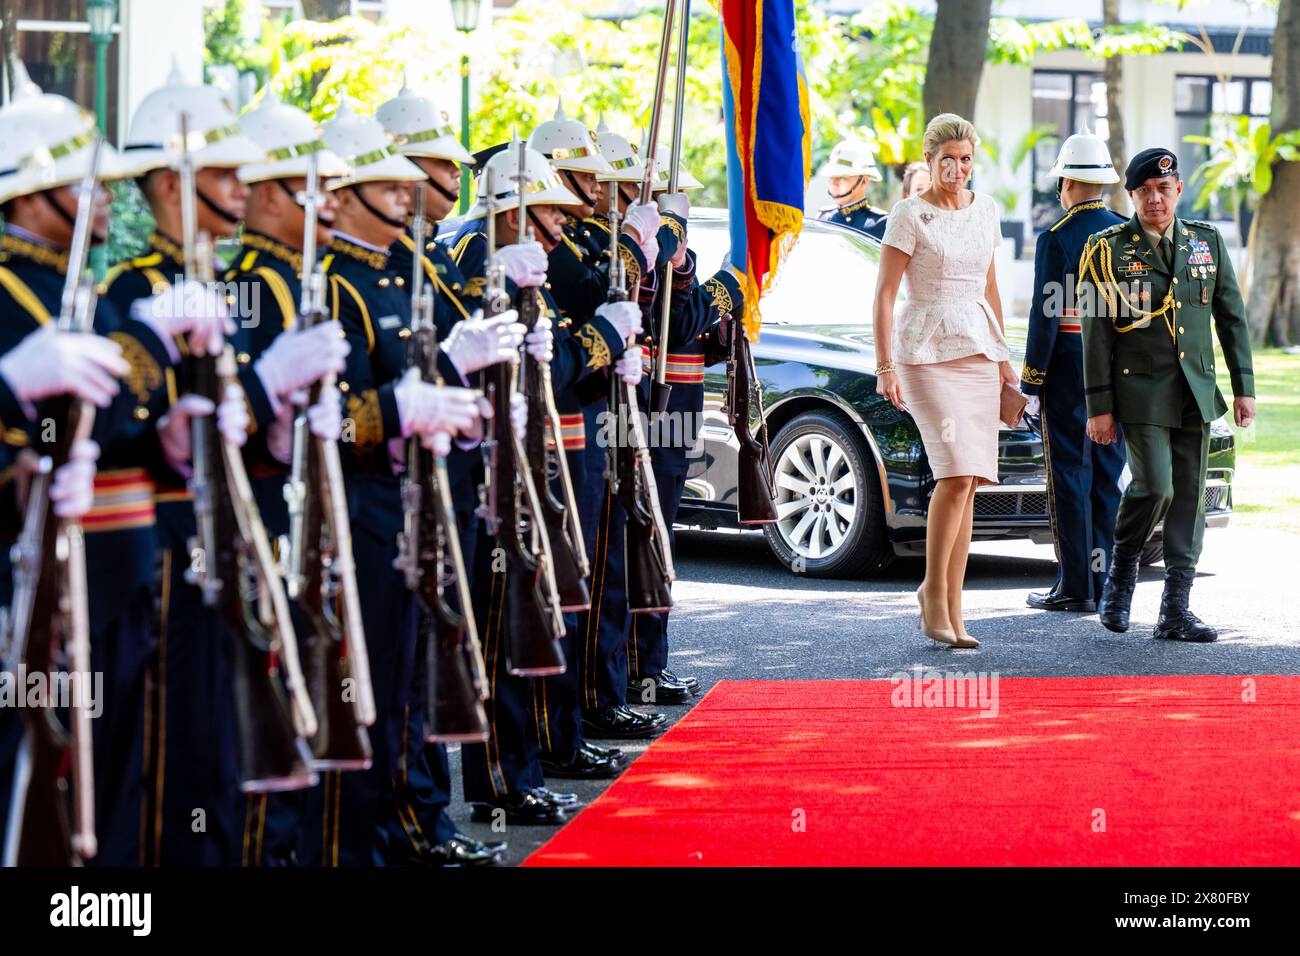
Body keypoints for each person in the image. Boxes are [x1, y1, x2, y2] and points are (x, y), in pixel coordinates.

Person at [1079, 147, 1256, 642]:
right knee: (1155, 487)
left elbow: (1232, 318)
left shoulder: (1207, 242)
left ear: (1178, 189)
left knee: (1190, 499)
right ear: (1130, 195)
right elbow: (1095, 333)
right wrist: (1100, 406)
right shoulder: (1105, 248)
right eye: (1144, 191)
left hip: (1195, 390)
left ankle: (1175, 609)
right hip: (1139, 390)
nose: (1155, 198)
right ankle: (1121, 577)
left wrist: (1245, 388)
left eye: (1164, 188)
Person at [872, 113, 1015, 649]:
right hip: (924, 352)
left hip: (978, 348)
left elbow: (992, 289)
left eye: (965, 159)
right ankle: (932, 592)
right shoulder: (909, 214)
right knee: (955, 473)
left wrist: (1004, 361)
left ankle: (955, 606)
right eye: (947, 159)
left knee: (972, 480)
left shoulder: (987, 210)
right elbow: (885, 295)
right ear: (929, 162)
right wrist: (885, 365)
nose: (957, 168)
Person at [1020, 129, 1127, 613]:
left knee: (1069, 473)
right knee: (1109, 474)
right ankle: (1107, 583)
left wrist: (1030, 383)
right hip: (1121, 373)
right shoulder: (1129, 233)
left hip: (1068, 372)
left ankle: (1075, 585)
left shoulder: (1058, 238)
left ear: (1066, 182)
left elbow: (1045, 320)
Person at [817, 138, 887, 239]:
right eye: (832, 177)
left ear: (863, 181)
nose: (834, 183)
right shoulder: (822, 217)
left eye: (842, 177)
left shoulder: (881, 224)